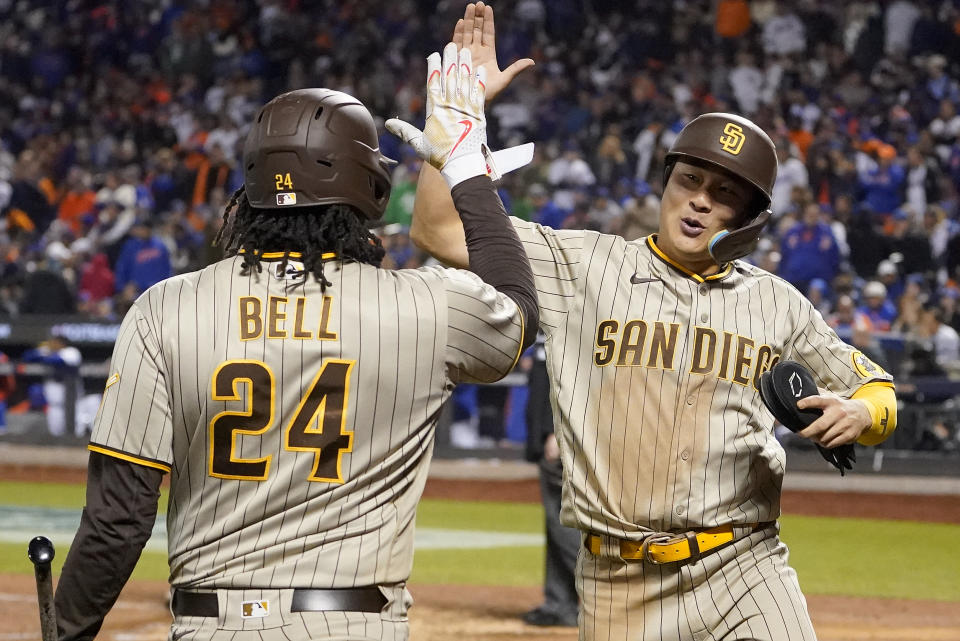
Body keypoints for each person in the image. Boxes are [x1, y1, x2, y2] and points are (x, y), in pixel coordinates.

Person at [409, 5, 899, 640]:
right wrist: (458, 118)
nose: (699, 199)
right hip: (619, 584)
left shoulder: (779, 303)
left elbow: (879, 392)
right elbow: (436, 228)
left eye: (723, 195)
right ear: (666, 184)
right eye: (689, 180)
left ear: (747, 221)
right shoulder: (582, 263)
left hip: (744, 566)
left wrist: (862, 414)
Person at [53, 47, 539, 641]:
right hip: (356, 624)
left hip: (212, 626)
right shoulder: (426, 306)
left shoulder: (164, 308)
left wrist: (67, 632)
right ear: (371, 187)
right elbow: (518, 305)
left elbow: (116, 523)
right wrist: (463, 163)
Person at [522, 331, 579, 628]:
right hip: (550, 427)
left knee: (564, 520)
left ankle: (599, 588)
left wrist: (557, 430)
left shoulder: (571, 309)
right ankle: (560, 603)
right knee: (555, 519)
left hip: (561, 433)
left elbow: (573, 375)